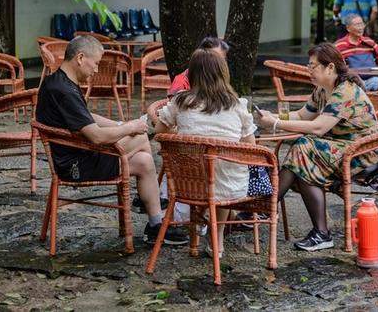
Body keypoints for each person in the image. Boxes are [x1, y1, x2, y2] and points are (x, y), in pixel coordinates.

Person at [35, 35, 187, 245]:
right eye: (96, 63)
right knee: (142, 137)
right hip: (75, 165)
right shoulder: (64, 91)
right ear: (80, 58)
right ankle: (153, 203)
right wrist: (130, 127)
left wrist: (119, 125)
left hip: (79, 155)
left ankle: (154, 223)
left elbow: (87, 117)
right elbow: (96, 136)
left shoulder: (59, 81)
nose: (96, 70)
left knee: (144, 162)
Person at [256, 43, 378, 252]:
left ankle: (265, 206)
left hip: (363, 153)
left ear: (330, 68)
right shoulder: (323, 89)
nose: (309, 70)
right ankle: (317, 232)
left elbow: (318, 127)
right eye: (309, 65)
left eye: (313, 66)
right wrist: (273, 116)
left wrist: (277, 125)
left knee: (304, 147)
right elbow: (303, 115)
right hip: (340, 146)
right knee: (303, 156)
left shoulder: (345, 91)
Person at [155, 48, 265, 257]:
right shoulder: (236, 105)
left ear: (193, 74)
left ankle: (199, 223)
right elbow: (250, 147)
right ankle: (218, 236)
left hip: (187, 183)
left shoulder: (180, 102)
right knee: (224, 170)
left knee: (205, 168)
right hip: (230, 185)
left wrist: (183, 131)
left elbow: (159, 131)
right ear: (223, 73)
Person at [334, 13, 378, 91]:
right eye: (357, 25)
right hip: (351, 83)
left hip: (372, 80)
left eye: (362, 24)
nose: (361, 27)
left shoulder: (369, 42)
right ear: (348, 28)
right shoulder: (339, 45)